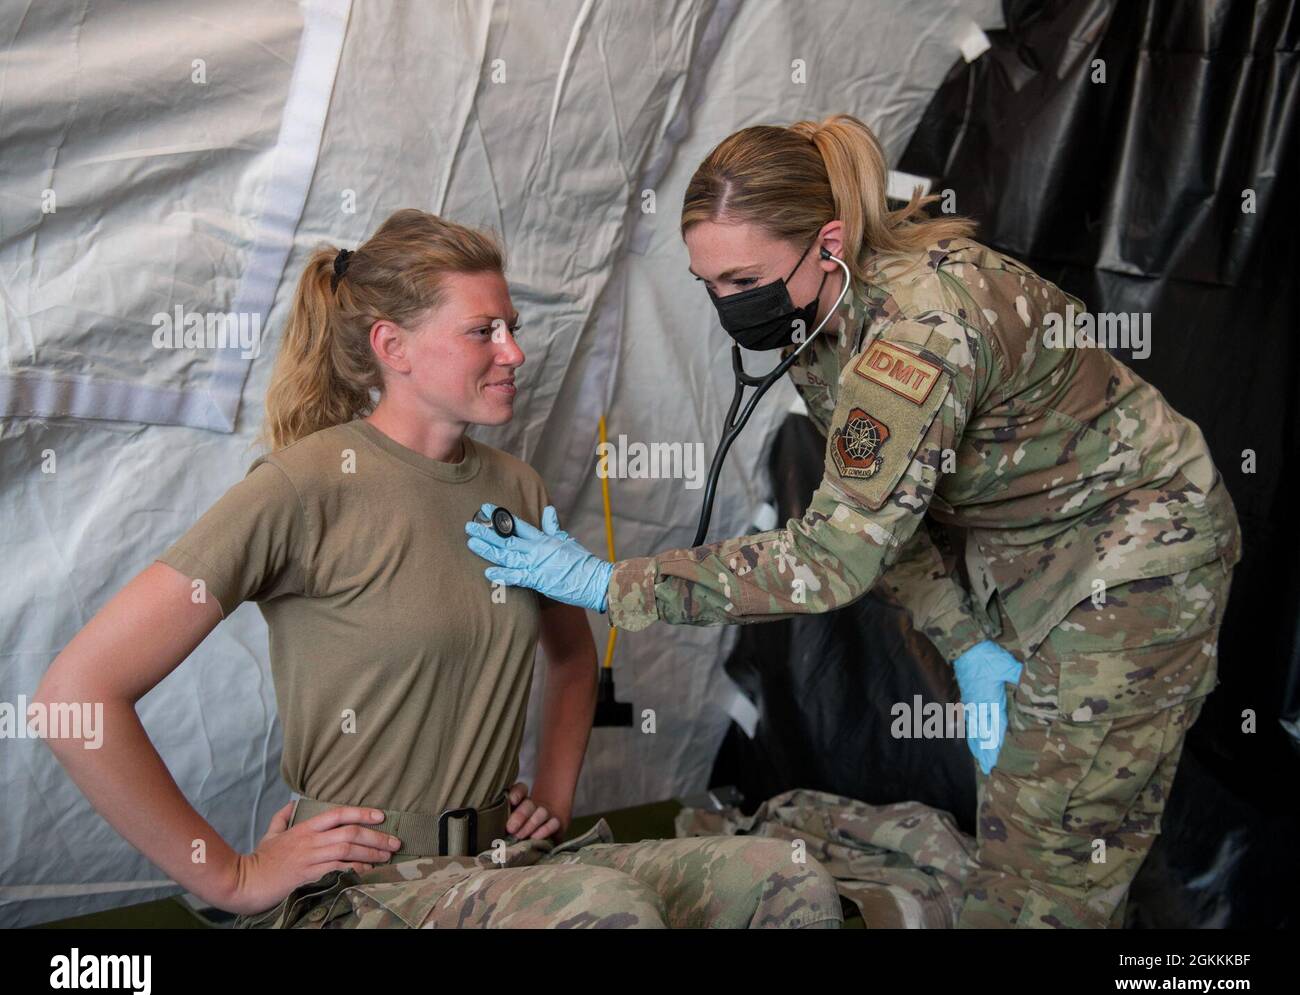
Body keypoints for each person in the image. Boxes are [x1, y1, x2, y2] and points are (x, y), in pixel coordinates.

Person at [465, 114, 1243, 929]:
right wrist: (969, 642)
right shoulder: (826, 316)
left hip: (1138, 556)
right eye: (709, 284)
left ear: (828, 242)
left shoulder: (915, 338)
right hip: (1034, 558)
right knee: (1058, 839)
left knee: (1039, 883)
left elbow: (836, 556)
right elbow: (890, 525)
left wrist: (607, 584)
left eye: (741, 279)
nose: (727, 305)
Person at [33, 209, 842, 930]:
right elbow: (76, 696)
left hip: (500, 871)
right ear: (394, 347)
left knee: (785, 880)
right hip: (365, 890)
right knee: (608, 913)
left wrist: (552, 799)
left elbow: (570, 658)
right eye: (483, 331)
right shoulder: (302, 486)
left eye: (512, 326)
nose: (515, 351)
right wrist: (237, 876)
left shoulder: (513, 486)